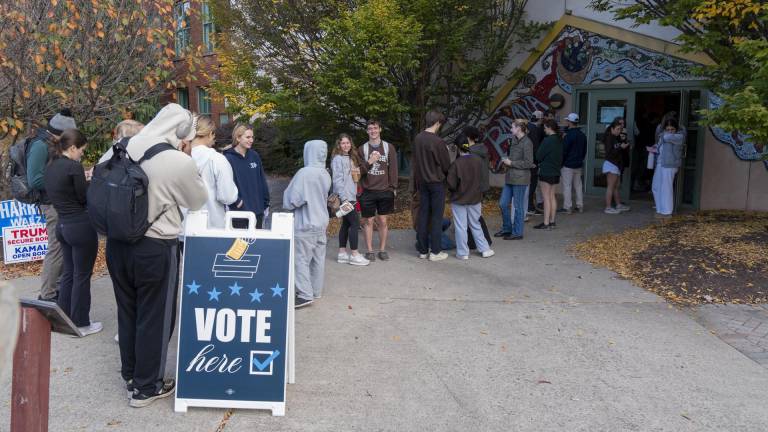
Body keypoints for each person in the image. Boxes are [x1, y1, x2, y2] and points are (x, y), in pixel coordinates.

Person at [107, 103, 207, 407]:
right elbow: (198, 200)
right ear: (183, 133)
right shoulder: (176, 160)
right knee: (155, 317)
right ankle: (146, 386)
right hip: (155, 246)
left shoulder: (118, 149)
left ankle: (131, 374)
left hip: (116, 243)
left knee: (128, 311)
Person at [43, 129, 101, 336]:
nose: (82, 155)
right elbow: (83, 197)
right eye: (82, 150)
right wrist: (90, 180)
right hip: (80, 226)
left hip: (62, 226)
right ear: (73, 148)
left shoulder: (51, 167)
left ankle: (64, 318)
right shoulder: (73, 167)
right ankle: (82, 322)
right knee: (82, 275)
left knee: (68, 273)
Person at [27, 108, 77, 301]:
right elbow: (34, 180)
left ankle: (56, 289)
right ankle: (47, 295)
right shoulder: (40, 145)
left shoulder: (51, 144)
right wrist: (62, 180)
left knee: (63, 248)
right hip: (51, 205)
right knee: (56, 249)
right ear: (58, 133)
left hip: (60, 203)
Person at [283, 140, 332, 308]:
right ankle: (315, 291)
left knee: (301, 260)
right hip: (321, 223)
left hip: (305, 223)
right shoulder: (325, 173)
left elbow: (293, 200)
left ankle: (304, 294)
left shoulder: (304, 173)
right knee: (318, 259)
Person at [411, 111, 451, 261]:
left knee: (423, 215)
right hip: (436, 183)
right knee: (436, 217)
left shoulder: (418, 138)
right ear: (438, 123)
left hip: (422, 183)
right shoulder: (438, 142)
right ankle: (435, 252)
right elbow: (446, 165)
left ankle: (422, 250)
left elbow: (415, 162)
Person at [357, 119, 398, 262]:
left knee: (382, 220)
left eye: (375, 128)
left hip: (385, 190)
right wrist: (370, 161)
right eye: (370, 128)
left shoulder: (388, 148)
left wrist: (393, 188)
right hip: (368, 190)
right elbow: (358, 172)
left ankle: (382, 249)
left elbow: (393, 170)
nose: (373, 131)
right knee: (368, 221)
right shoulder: (362, 149)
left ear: (380, 129)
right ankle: (369, 251)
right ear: (367, 131)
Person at [447, 140, 495, 260]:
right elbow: (483, 178)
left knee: (461, 226)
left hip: (459, 199)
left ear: (458, 149)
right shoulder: (478, 160)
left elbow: (451, 184)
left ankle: (463, 252)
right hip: (475, 198)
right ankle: (484, 249)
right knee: (476, 224)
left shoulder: (456, 164)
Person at [190, 116, 239, 228]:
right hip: (212, 225)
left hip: (185, 227)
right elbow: (227, 197)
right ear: (210, 133)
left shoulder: (180, 157)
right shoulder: (217, 159)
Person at [331, 133, 369, 266]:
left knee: (346, 224)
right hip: (345, 197)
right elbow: (337, 181)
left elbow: (354, 177)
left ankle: (342, 253)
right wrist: (344, 198)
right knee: (355, 224)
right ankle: (354, 254)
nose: (345, 145)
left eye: (347, 143)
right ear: (339, 145)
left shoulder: (351, 157)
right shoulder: (337, 159)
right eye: (343, 143)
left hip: (351, 196)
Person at [224, 124, 270, 228]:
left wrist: (266, 203)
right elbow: (226, 185)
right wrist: (236, 202)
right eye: (248, 137)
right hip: (238, 212)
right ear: (238, 138)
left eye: (252, 137)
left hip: (257, 211)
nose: (251, 140)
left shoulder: (254, 156)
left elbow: (261, 180)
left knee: (256, 243)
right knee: (240, 244)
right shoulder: (228, 158)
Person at [497, 119, 535, 239]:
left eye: (512, 127)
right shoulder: (513, 140)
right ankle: (507, 229)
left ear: (519, 128)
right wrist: (506, 161)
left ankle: (518, 233)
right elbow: (512, 158)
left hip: (520, 179)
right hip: (510, 177)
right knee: (503, 203)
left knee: (518, 207)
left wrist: (511, 162)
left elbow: (529, 163)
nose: (510, 129)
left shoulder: (527, 142)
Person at [650, 119, 685, 218]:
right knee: (656, 186)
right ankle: (660, 209)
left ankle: (667, 212)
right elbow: (660, 146)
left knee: (666, 188)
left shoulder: (679, 136)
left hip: (670, 165)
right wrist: (654, 148)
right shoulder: (663, 136)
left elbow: (666, 137)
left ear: (676, 129)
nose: (670, 131)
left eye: (672, 129)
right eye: (668, 129)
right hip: (661, 163)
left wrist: (662, 132)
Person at [533, 119, 563, 230]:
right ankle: (552, 221)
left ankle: (545, 223)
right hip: (556, 171)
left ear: (549, 127)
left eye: (545, 128)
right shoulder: (559, 140)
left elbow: (538, 156)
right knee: (552, 196)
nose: (544, 130)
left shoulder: (547, 140)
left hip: (546, 171)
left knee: (546, 198)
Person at [602, 118, 631, 214]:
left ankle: (618, 204)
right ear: (612, 129)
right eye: (618, 129)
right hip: (611, 164)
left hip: (616, 164)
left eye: (620, 129)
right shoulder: (609, 138)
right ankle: (608, 207)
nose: (619, 131)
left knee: (616, 186)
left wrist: (622, 144)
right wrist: (620, 147)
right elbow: (609, 153)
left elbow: (617, 149)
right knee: (611, 186)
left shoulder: (615, 137)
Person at [560, 113, 587, 214]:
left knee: (567, 186)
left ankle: (568, 207)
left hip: (568, 164)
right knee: (578, 186)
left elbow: (564, 151)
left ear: (570, 122)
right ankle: (580, 206)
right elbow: (584, 151)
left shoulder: (568, 135)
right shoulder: (582, 135)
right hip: (578, 164)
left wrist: (561, 163)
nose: (566, 122)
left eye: (567, 121)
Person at [526, 110, 545, 215]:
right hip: (532, 162)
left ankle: (529, 206)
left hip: (525, 161)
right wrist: (538, 160)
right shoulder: (535, 129)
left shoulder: (527, 127)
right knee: (532, 184)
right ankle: (530, 207)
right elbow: (536, 147)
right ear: (539, 119)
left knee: (528, 185)